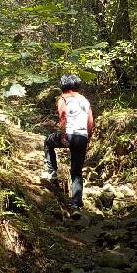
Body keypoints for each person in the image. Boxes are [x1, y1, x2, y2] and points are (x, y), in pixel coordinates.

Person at [43, 74, 94, 215]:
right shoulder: (85, 100)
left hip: (69, 134)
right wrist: (87, 138)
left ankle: (52, 171)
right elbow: (90, 121)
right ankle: (76, 206)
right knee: (76, 172)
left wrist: (64, 135)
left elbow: (63, 117)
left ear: (63, 85)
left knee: (48, 142)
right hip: (82, 137)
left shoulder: (63, 98)